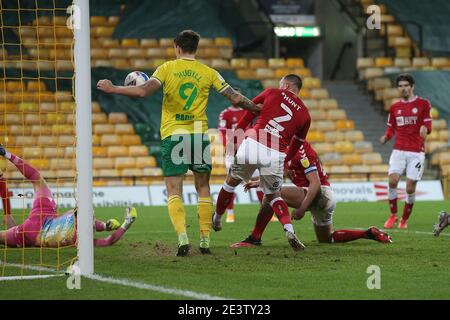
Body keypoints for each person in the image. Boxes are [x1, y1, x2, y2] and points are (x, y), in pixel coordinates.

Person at [97, 30, 259, 256]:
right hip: (198, 136)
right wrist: (257, 109)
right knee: (203, 187)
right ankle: (204, 240)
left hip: (174, 136)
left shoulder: (166, 69)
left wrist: (114, 88)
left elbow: (143, 91)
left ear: (177, 47)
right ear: (196, 48)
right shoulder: (209, 72)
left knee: (174, 189)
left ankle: (183, 238)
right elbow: (235, 98)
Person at [213, 74, 311, 251]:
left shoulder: (272, 92)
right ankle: (289, 230)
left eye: (282, 84)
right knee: (273, 196)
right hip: (277, 153)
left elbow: (250, 111)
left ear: (287, 85)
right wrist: (285, 161)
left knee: (230, 182)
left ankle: (218, 218)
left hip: (254, 143)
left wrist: (236, 137)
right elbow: (297, 144)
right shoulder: (305, 114)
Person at [232, 141, 392, 247]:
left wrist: (302, 208)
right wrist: (258, 182)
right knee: (327, 239)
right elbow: (280, 174)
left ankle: (255, 238)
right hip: (320, 197)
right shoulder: (286, 149)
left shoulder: (301, 150)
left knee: (271, 195)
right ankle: (368, 233)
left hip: (319, 193)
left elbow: (314, 182)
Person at [0, 146, 137, 248]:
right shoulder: (80, 239)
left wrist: (8, 155)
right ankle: (5, 153)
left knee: (36, 178)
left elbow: (91, 223)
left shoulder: (80, 224)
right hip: (41, 226)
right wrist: (124, 224)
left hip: (39, 221)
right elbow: (108, 241)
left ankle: (6, 153)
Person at [379, 73, 432, 229]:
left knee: (410, 188)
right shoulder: (395, 107)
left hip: (416, 152)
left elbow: (428, 125)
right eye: (400, 86)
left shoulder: (423, 104)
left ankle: (404, 219)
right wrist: (386, 137)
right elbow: (391, 128)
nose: (403, 88)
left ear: (412, 87)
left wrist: (425, 129)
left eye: (406, 85)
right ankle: (393, 215)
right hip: (399, 151)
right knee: (392, 181)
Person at [217, 88, 272, 223]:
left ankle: (263, 211)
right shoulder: (225, 113)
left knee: (256, 180)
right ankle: (230, 213)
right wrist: (230, 146)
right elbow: (222, 133)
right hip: (232, 150)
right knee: (231, 181)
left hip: (248, 149)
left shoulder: (249, 110)